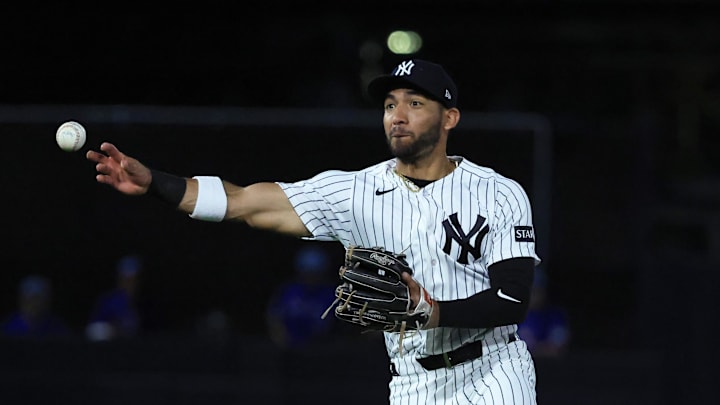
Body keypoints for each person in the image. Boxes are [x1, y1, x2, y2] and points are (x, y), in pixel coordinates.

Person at [86, 59, 541, 404]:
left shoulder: (498, 193)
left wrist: (432, 311)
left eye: (415, 103)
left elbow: (513, 301)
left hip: (493, 374)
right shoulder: (355, 191)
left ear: (450, 118)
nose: (396, 115)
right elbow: (244, 202)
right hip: (411, 383)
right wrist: (154, 184)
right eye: (389, 104)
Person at [266, 244, 338, 349]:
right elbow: (273, 317)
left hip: (320, 351)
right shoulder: (289, 291)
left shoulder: (330, 295)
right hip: (288, 350)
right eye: (307, 273)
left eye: (315, 274)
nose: (311, 278)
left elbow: (333, 326)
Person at [85, 254, 144, 341]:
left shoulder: (138, 302)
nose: (130, 284)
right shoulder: (109, 301)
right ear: (119, 279)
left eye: (133, 280)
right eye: (126, 280)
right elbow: (92, 330)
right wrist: (113, 330)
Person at [517, 267, 570, 357]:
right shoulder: (514, 317)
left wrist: (537, 349)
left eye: (537, 291)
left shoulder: (555, 315)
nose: (534, 296)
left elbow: (557, 347)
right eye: (530, 291)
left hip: (552, 368)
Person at [1, 275, 71, 338]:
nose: (35, 304)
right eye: (30, 299)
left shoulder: (57, 327)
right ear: (22, 300)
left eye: (39, 299)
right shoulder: (9, 327)